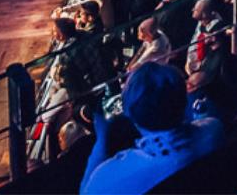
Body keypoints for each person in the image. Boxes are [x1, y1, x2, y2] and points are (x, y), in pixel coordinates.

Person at [79, 61, 225, 194]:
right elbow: (206, 123)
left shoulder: (110, 176)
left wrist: (101, 141)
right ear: (183, 101)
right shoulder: (213, 131)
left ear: (130, 114)